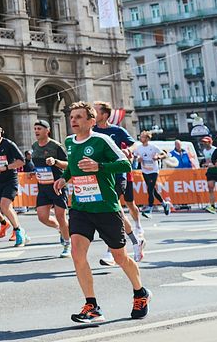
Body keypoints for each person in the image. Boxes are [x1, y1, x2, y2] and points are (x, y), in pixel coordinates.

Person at [50, 101, 149, 324]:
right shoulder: (69, 142)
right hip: (80, 208)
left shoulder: (102, 140)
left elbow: (125, 164)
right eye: (72, 116)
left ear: (91, 121)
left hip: (105, 208)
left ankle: (140, 292)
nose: (73, 120)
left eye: (78, 117)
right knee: (77, 254)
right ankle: (92, 306)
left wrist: (100, 167)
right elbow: (73, 167)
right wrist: (63, 179)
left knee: (119, 257)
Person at [91, 102, 144, 262]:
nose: (93, 113)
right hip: (99, 178)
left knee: (113, 213)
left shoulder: (117, 131)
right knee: (115, 212)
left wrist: (129, 150)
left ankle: (111, 252)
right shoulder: (92, 132)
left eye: (96, 111)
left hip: (117, 175)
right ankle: (136, 240)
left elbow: (135, 143)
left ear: (104, 115)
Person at [29, 119, 70, 257]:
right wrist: (34, 172)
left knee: (60, 216)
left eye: (39, 129)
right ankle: (62, 229)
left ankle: (66, 244)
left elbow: (68, 165)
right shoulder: (34, 146)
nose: (36, 131)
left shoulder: (56, 146)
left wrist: (55, 161)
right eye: (35, 129)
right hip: (42, 186)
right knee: (42, 217)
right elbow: (39, 165)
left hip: (57, 185)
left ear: (47, 131)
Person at [131, 132, 170, 216]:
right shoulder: (139, 148)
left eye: (142, 137)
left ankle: (150, 209)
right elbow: (134, 156)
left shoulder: (153, 147)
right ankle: (164, 204)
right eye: (140, 137)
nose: (140, 138)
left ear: (147, 138)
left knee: (150, 189)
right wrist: (138, 159)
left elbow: (164, 154)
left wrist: (158, 157)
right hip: (145, 171)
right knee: (153, 190)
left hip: (154, 171)